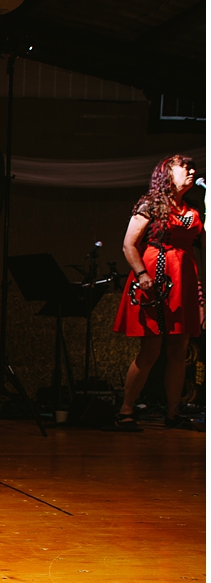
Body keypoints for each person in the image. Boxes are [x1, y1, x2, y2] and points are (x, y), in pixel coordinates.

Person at [112, 155, 203, 430]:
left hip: (184, 278)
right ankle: (126, 410)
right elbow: (129, 244)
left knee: (179, 347)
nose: (191, 170)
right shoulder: (150, 205)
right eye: (184, 167)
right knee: (151, 348)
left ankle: (173, 413)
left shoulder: (195, 208)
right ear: (166, 173)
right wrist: (142, 275)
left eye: (192, 167)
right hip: (156, 276)